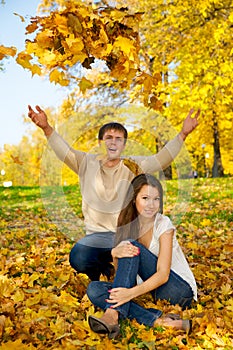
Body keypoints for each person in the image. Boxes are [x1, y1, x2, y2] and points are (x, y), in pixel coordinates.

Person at [28, 105, 200, 281]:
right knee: (78, 256)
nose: (113, 142)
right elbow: (64, 151)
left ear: (124, 145)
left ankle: (122, 272)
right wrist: (46, 128)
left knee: (132, 260)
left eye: (118, 139)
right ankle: (102, 272)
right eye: (108, 138)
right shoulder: (86, 162)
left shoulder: (133, 165)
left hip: (126, 234)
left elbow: (161, 159)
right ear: (100, 143)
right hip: (96, 237)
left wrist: (183, 134)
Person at [87, 173, 197, 339]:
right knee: (94, 289)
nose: (151, 205)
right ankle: (160, 322)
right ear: (133, 199)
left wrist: (130, 293)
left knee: (131, 247)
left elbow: (163, 274)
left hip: (179, 290)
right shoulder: (128, 226)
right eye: (145, 198)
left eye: (156, 199)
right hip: (152, 291)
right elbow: (123, 276)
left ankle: (112, 314)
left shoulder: (163, 224)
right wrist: (115, 254)